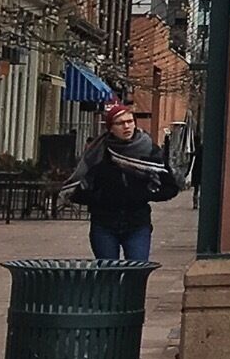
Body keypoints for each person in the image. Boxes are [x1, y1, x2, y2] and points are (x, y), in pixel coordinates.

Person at [72, 103, 176, 262]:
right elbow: (77, 189)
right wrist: (100, 197)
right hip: (104, 223)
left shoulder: (148, 150)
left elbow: (170, 187)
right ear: (110, 128)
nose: (127, 126)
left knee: (137, 271)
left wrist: (144, 195)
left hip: (137, 223)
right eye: (120, 123)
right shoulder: (97, 152)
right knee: (108, 273)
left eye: (130, 121)